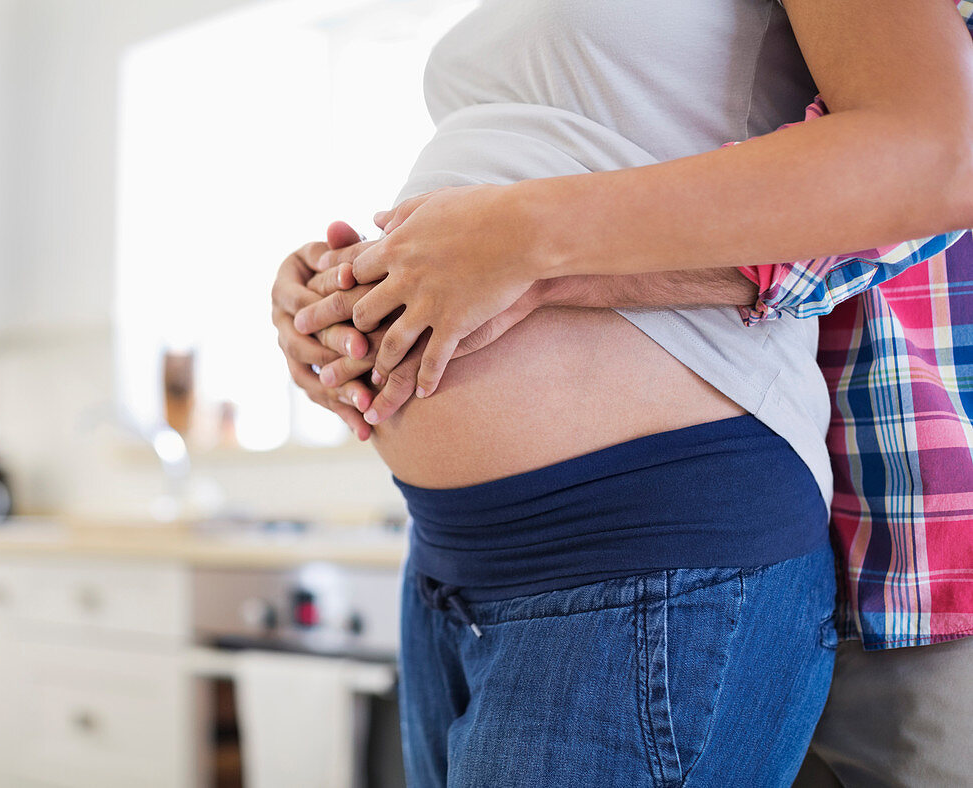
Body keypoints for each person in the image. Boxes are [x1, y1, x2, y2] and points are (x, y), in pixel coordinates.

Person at [271, 1, 973, 785]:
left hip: (647, 547)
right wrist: (353, 292)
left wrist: (521, 245)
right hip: (449, 564)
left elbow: (933, 153)